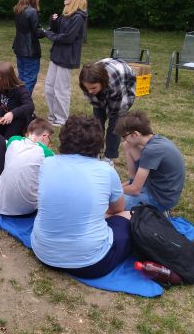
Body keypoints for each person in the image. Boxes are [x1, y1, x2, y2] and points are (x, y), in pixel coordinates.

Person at [31, 115, 131, 279]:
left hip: (43, 253)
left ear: (63, 139)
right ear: (98, 143)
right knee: (128, 215)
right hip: (91, 263)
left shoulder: (47, 163)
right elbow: (118, 209)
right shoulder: (106, 170)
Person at [114, 111, 185, 212]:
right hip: (152, 187)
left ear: (135, 134)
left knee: (110, 204)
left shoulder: (151, 151)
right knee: (128, 145)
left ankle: (157, 212)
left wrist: (112, 192)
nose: (123, 140)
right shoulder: (156, 140)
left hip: (159, 200)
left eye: (124, 136)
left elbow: (135, 189)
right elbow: (134, 184)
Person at [41, 0, 88, 126]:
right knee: (49, 87)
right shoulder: (67, 13)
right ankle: (52, 116)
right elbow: (57, 30)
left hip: (66, 58)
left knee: (61, 89)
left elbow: (67, 38)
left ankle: (61, 119)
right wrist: (53, 21)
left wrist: (48, 34)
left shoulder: (78, 17)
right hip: (56, 55)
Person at [0, 118, 54, 216]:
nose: (49, 144)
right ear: (45, 136)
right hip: (28, 209)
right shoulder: (47, 153)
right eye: (50, 141)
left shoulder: (14, 140)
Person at [79, 58, 136, 166]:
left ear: (102, 82)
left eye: (93, 88)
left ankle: (109, 157)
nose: (89, 91)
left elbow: (114, 112)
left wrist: (112, 117)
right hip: (109, 77)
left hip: (124, 80)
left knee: (115, 126)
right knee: (97, 123)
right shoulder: (86, 82)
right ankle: (95, 152)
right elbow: (96, 104)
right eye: (87, 88)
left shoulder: (114, 82)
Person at [12, 0, 42, 93]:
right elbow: (37, 33)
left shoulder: (18, 9)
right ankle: (24, 102)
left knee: (22, 77)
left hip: (19, 48)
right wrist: (48, 30)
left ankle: (18, 100)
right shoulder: (32, 12)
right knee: (29, 80)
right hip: (30, 51)